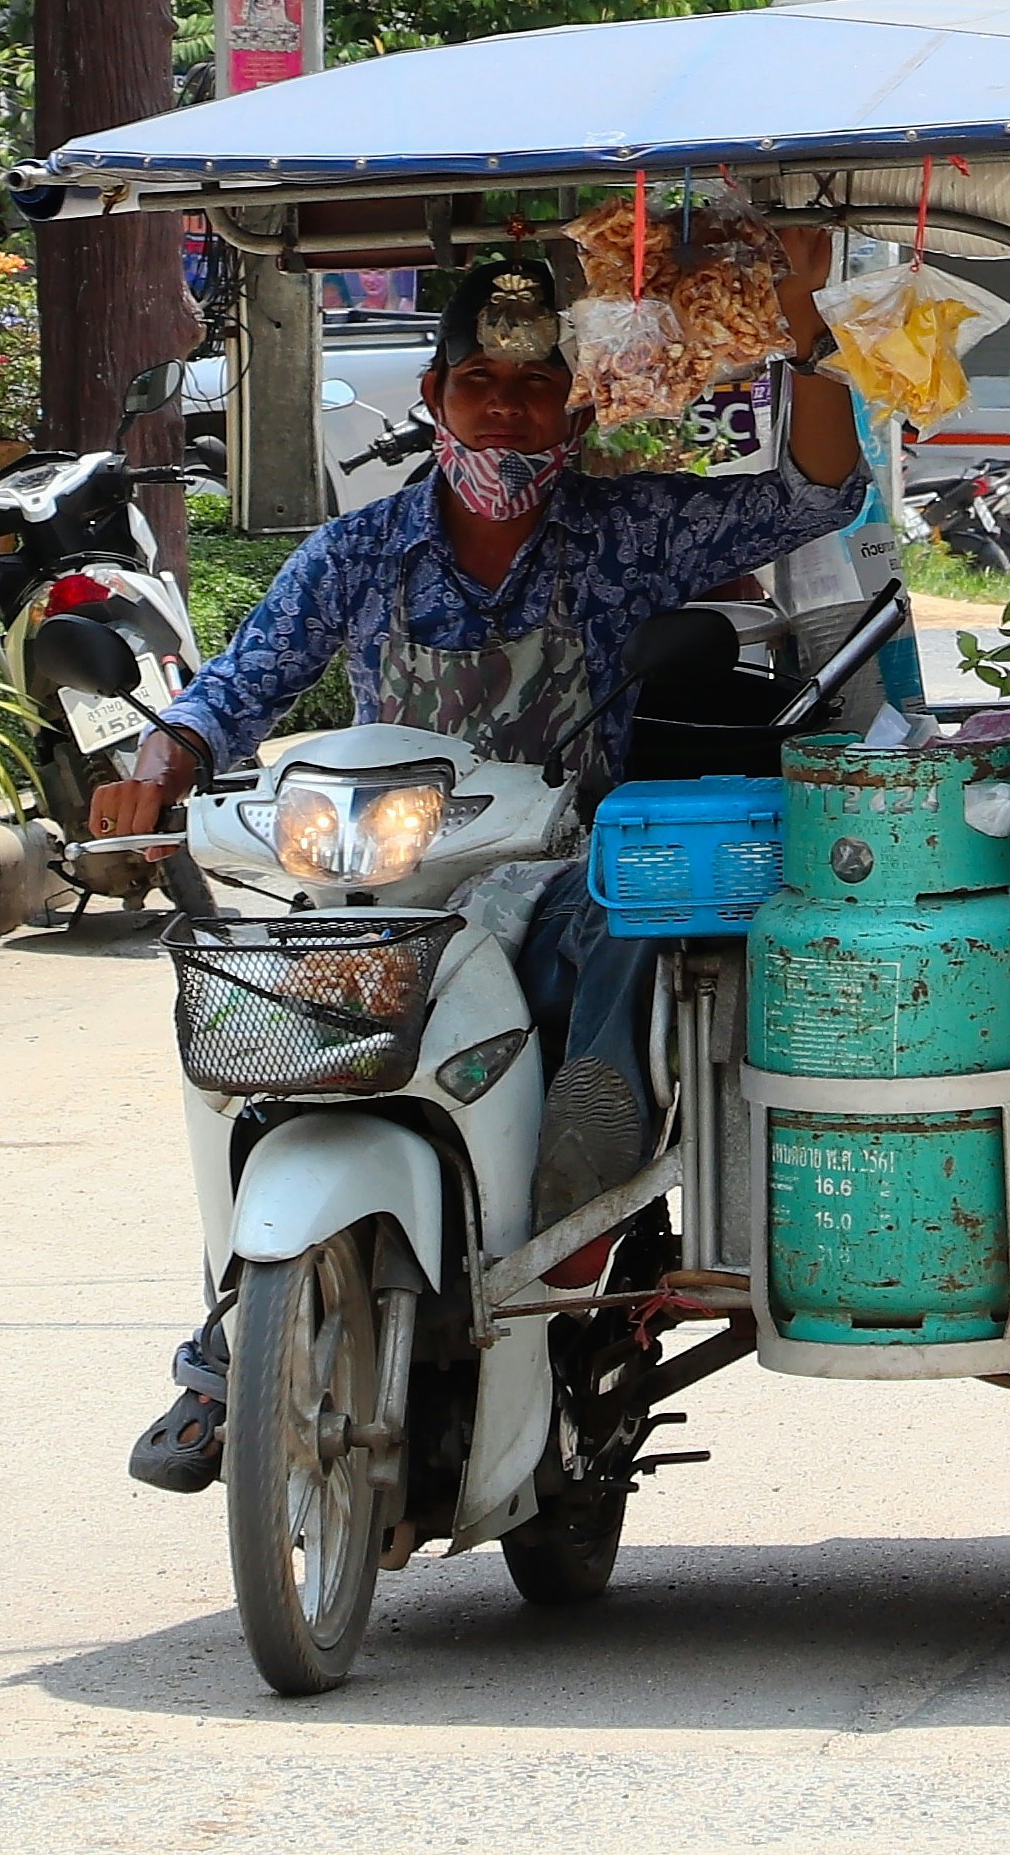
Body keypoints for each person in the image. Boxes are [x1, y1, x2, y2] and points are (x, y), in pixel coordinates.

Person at [93, 226, 870, 1494]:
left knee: (635, 902)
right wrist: (163, 760)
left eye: (534, 389)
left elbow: (816, 494)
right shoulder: (357, 552)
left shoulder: (625, 532)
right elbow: (237, 685)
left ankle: (591, 1132)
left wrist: (811, 328)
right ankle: (229, 1347)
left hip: (556, 875)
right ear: (434, 397)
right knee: (254, 1043)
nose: (506, 417)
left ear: (572, 406)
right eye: (480, 387)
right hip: (382, 884)